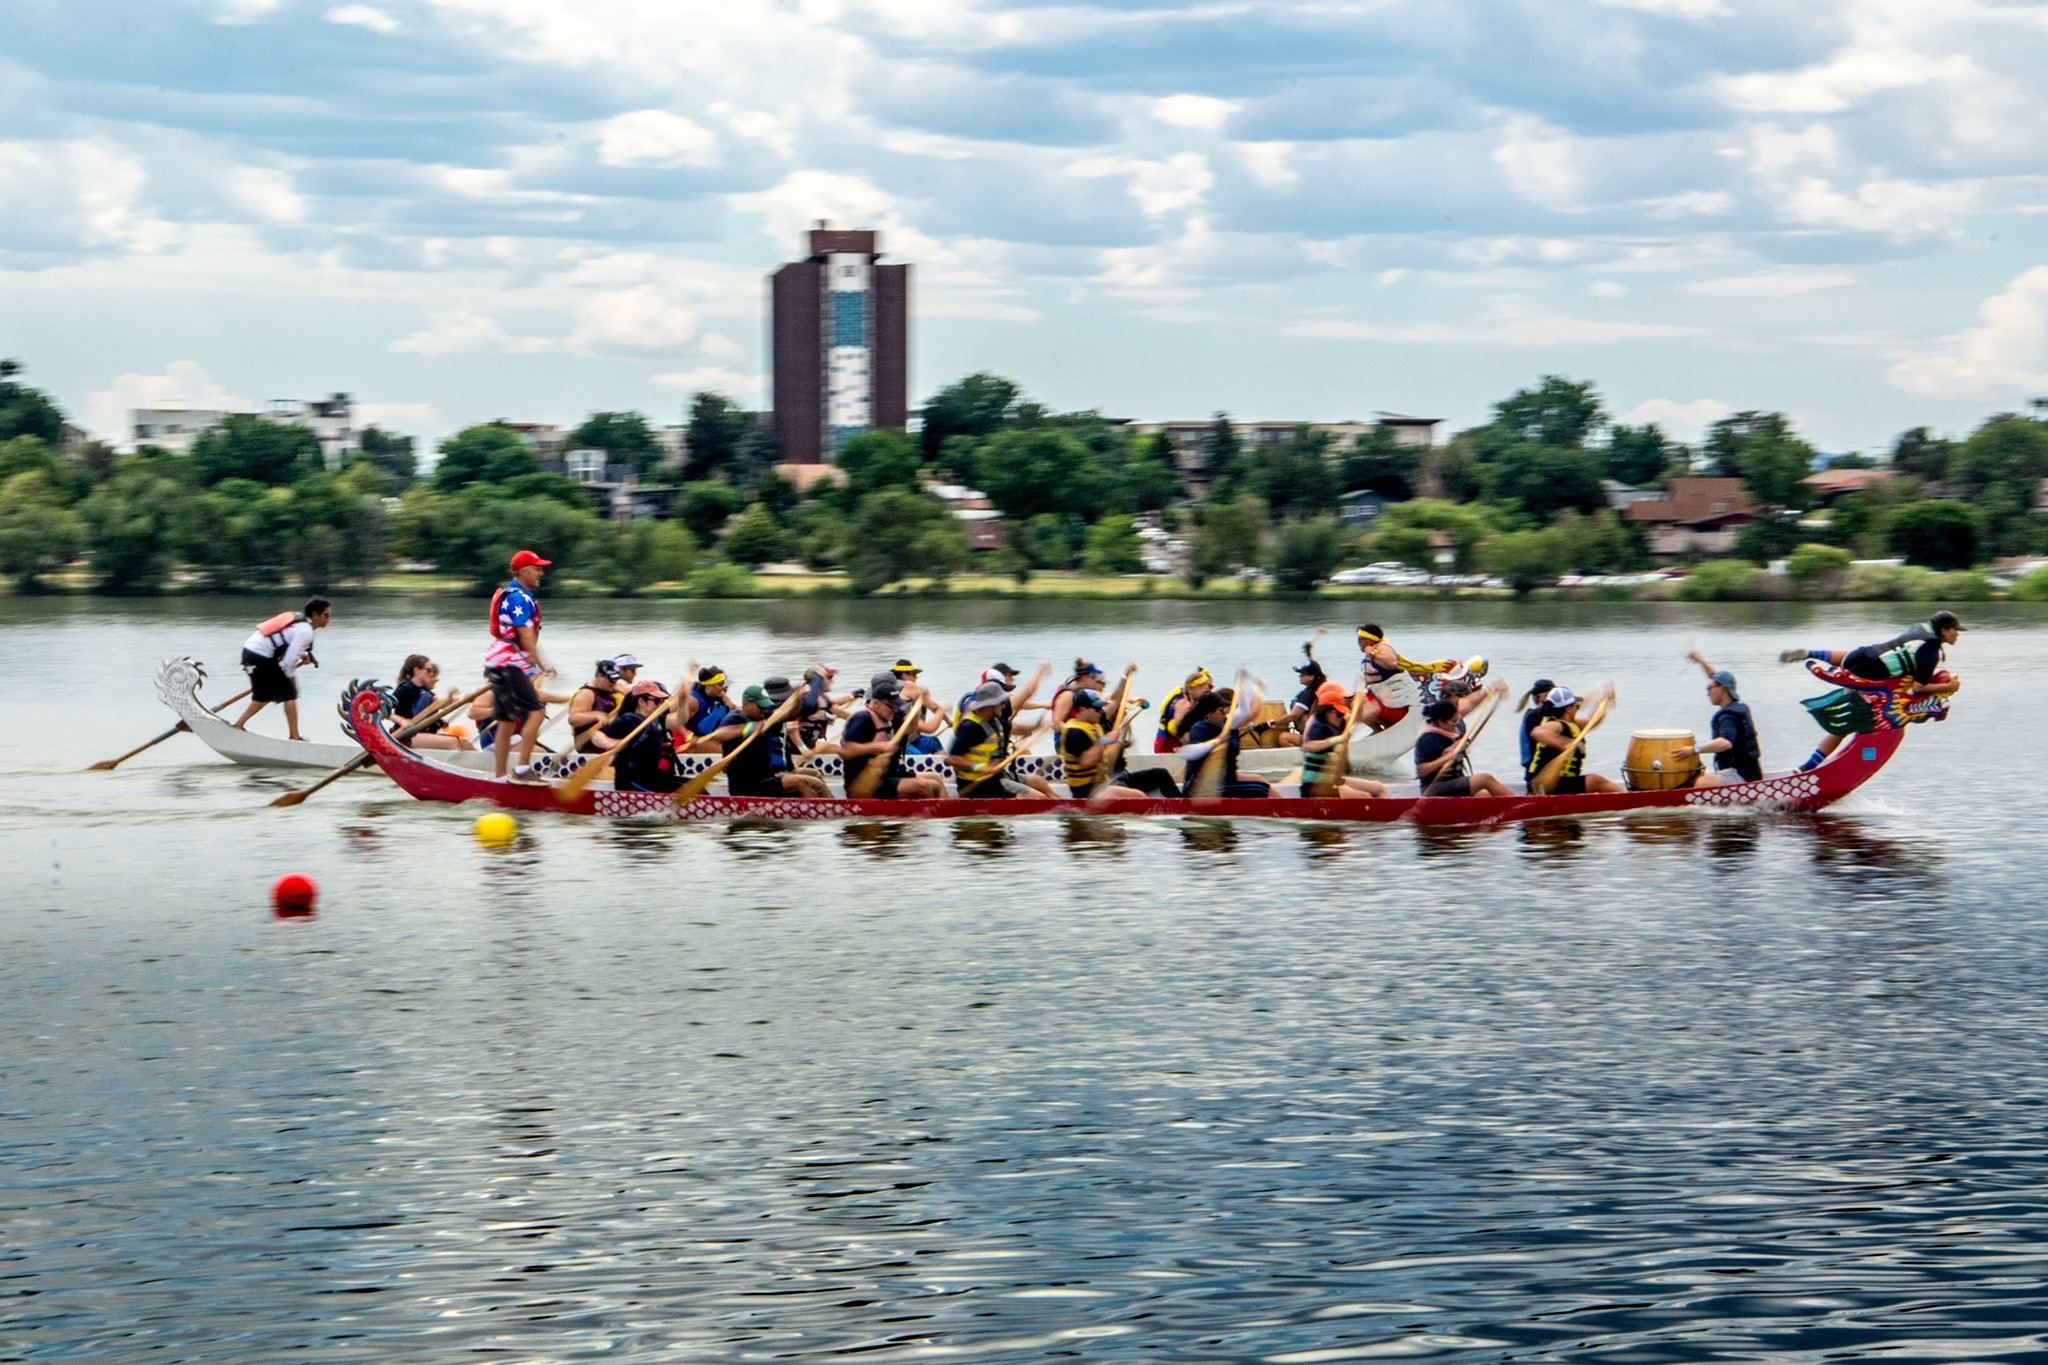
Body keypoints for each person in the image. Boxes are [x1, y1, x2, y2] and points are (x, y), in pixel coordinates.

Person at [1780, 611, 1966, 770]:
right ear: (1943, 631)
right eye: (1955, 630)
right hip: (1867, 674)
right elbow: (1918, 688)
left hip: (1863, 654)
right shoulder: (1930, 651)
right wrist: (1949, 687)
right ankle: (1807, 768)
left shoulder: (1920, 629)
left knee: (1848, 658)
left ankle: (1811, 653)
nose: (1957, 635)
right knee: (1846, 724)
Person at [485, 550, 557, 780]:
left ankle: (499, 777)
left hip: (497, 661)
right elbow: (526, 636)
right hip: (509, 664)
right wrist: (542, 665)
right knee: (537, 711)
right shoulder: (519, 599)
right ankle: (522, 768)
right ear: (524, 571)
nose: (541, 573)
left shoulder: (513, 594)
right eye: (537, 569)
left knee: (506, 720)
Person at [692, 684, 831, 798]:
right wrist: (750, 728)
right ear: (747, 703)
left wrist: (797, 698)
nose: (763, 710)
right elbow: (718, 736)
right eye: (760, 706)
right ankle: (818, 813)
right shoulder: (734, 718)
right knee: (801, 782)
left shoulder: (763, 717)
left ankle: (829, 806)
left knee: (813, 775)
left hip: (766, 779)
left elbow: (791, 714)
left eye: (765, 706)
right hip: (747, 785)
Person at [233, 597, 331, 740]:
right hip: (260, 656)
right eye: (326, 615)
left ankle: (238, 725)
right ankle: (295, 737)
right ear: (315, 615)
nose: (329, 619)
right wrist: (291, 680)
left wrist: (302, 653)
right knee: (290, 694)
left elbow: (284, 643)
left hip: (250, 652)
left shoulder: (300, 623)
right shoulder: (306, 631)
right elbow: (289, 661)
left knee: (264, 695)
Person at [834, 676, 946, 800]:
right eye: (891, 706)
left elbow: (910, 729)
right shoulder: (862, 719)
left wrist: (917, 706)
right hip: (864, 784)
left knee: (935, 778)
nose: (895, 709)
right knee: (923, 786)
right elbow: (846, 751)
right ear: (875, 703)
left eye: (896, 705)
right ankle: (924, 816)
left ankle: (948, 814)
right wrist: (880, 746)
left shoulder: (890, 715)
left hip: (888, 775)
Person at [1059, 687, 1181, 799]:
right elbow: (1086, 760)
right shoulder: (1075, 732)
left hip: (1112, 781)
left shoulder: (1097, 721)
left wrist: (1125, 674)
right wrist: (1106, 741)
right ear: (1083, 710)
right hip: (1095, 789)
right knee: (1138, 796)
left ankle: (1181, 805)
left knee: (1161, 774)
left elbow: (1114, 700)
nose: (1100, 711)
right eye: (1097, 709)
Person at [1673, 654, 1763, 785]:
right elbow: (1715, 678)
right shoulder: (1738, 706)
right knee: (1695, 776)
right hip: (1747, 772)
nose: (1707, 693)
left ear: (1722, 689)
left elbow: (1725, 743)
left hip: (1740, 775)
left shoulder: (1729, 717)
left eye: (1709, 689)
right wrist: (1700, 661)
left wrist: (1693, 750)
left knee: (1702, 783)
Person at [1351, 624, 1455, 732]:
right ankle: (1379, 731)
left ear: (1369, 640)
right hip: (1377, 693)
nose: (1358, 643)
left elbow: (1392, 664)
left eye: (1360, 639)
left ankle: (1386, 730)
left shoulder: (1383, 648)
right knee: (1353, 703)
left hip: (1392, 696)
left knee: (1362, 709)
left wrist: (1372, 654)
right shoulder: (1373, 650)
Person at [1297, 681, 1390, 798]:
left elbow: (1362, 716)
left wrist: (1361, 701)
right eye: (1339, 714)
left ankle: (1386, 814)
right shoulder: (1317, 726)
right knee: (1364, 796)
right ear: (1328, 711)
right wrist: (1338, 739)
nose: (1341, 717)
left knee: (1379, 788)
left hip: (1333, 781)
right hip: (1316, 787)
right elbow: (1308, 747)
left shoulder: (1337, 723)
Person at [1525, 686, 1623, 795]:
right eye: (1576, 706)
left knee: (1593, 783)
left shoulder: (1571, 724)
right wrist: (1563, 743)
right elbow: (1537, 732)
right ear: (1568, 709)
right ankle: (1629, 800)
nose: (1578, 708)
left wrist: (1604, 702)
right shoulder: (1555, 724)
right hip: (1544, 784)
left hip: (1561, 782)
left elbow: (1591, 722)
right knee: (1596, 780)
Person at [950, 680, 1039, 798]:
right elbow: (951, 759)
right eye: (1000, 702)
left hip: (994, 780)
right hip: (976, 786)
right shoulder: (970, 728)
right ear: (990, 705)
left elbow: (1016, 728)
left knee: (1039, 787)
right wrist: (981, 767)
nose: (1003, 705)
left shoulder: (996, 722)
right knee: (1033, 798)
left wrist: (1037, 726)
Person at [1178, 689, 1274, 799]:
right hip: (1201, 788)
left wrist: (1243, 690)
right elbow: (1188, 752)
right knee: (1260, 789)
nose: (1225, 713)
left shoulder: (1224, 725)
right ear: (1209, 713)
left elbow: (1244, 712)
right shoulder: (1199, 728)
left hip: (1223, 781)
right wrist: (1217, 741)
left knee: (1260, 784)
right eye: (1221, 710)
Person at [1414, 698, 1512, 797]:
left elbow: (1469, 704)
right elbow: (1421, 771)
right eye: (1454, 722)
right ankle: (1523, 804)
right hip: (1434, 788)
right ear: (1441, 722)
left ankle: (1516, 808)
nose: (1457, 724)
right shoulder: (1428, 739)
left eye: (1458, 720)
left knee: (1486, 795)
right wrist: (1446, 758)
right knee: (1485, 779)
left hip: (1455, 781)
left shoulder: (1453, 729)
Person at [599, 681, 683, 793]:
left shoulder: (658, 720)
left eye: (662, 702)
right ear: (641, 701)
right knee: (685, 793)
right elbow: (597, 734)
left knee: (699, 790)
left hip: (652, 778)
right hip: (632, 783)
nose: (659, 705)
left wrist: (685, 697)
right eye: (657, 701)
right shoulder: (627, 721)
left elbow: (680, 720)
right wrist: (609, 743)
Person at [391, 655, 467, 751]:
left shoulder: (424, 690)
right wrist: (402, 721)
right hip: (405, 735)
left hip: (420, 733)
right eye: (428, 670)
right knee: (453, 742)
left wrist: (459, 698)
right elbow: (383, 709)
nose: (431, 673)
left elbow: (442, 704)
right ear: (416, 671)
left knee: (464, 743)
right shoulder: (405, 688)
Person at [568, 654, 638, 753]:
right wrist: (596, 715)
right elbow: (573, 719)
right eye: (611, 679)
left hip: (611, 734)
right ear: (599, 676)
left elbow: (634, 696)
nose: (613, 683)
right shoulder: (586, 694)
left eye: (616, 679)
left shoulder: (613, 686)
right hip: (589, 742)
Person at [889, 659, 947, 754]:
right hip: (900, 744)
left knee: (933, 741)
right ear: (904, 675)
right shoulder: (902, 704)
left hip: (913, 740)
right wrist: (942, 710)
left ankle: (949, 768)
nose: (916, 678)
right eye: (914, 675)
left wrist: (948, 720)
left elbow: (934, 707)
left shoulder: (914, 693)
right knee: (918, 755)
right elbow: (929, 728)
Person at [1153, 668, 1213, 752]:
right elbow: (1178, 730)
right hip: (1169, 743)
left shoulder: (1192, 700)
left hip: (1177, 742)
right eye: (1205, 687)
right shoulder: (1184, 704)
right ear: (1195, 687)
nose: (1207, 691)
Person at [1050, 659, 1109, 730]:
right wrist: (1079, 734)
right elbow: (1056, 723)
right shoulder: (1067, 695)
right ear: (1084, 677)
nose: (1095, 680)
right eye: (1093, 676)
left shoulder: (1079, 690)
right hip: (1069, 738)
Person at [680, 666, 735, 738]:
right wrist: (690, 737)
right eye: (720, 684)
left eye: (723, 684)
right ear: (709, 686)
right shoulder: (693, 701)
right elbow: (678, 725)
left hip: (713, 737)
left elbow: (733, 708)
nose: (723, 687)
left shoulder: (720, 695)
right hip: (694, 741)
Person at [1516, 677, 1557, 771]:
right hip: (1535, 769)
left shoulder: (1542, 715)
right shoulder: (1534, 716)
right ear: (1540, 697)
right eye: (1551, 695)